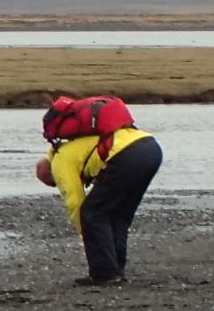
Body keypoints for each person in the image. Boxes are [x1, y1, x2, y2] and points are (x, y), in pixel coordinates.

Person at [37, 95, 163, 285]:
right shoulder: (74, 146)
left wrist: (88, 235)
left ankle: (105, 274)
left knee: (93, 213)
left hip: (126, 155)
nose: (56, 185)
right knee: (118, 215)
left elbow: (75, 202)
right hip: (149, 146)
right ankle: (115, 269)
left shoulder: (60, 162)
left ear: (50, 174)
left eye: (53, 183)